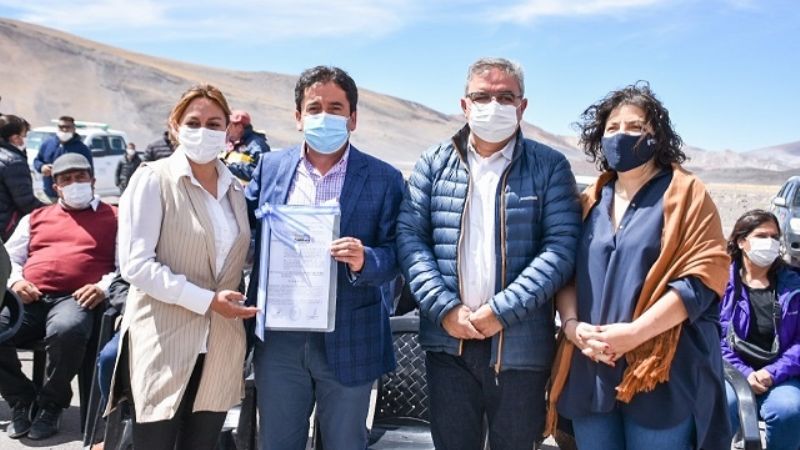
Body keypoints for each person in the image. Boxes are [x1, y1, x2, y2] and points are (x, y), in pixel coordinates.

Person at [397, 57, 581, 449]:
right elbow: (411, 240)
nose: (493, 106)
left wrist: (501, 311)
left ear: (522, 106)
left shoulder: (550, 167)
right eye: (482, 96)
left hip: (520, 349)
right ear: (464, 105)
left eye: (504, 96)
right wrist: (445, 308)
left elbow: (561, 248)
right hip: (448, 343)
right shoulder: (433, 163)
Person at [547, 81, 732, 450]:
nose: (621, 135)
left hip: (659, 371)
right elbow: (565, 272)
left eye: (635, 127)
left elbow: (703, 275)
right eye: (612, 128)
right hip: (592, 364)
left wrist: (634, 335)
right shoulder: (591, 200)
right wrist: (571, 327)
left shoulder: (686, 195)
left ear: (656, 137)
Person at [245, 65, 404, 450]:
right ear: (298, 118)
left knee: (345, 443)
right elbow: (245, 236)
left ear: (353, 118)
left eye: (336, 107)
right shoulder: (270, 168)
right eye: (314, 107)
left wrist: (365, 259)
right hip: (281, 339)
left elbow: (399, 254)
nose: (324, 116)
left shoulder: (385, 178)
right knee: (278, 442)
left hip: (351, 337)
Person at [109, 84, 257, 450]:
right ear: (175, 126)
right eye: (193, 121)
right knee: (154, 442)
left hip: (221, 343)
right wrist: (206, 300)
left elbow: (238, 259)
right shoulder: (153, 179)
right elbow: (136, 264)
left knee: (202, 444)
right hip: (165, 338)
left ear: (228, 131)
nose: (203, 130)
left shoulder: (234, 191)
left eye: (214, 122)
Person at [0, 153, 117, 440]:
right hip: (30, 297)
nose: (75, 183)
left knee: (67, 331)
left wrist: (102, 287)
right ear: (56, 187)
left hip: (75, 299)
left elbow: (125, 264)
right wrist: (17, 281)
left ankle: (51, 403)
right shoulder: (36, 217)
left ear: (93, 180)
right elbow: (12, 257)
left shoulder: (115, 216)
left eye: (81, 177)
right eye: (67, 179)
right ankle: (22, 399)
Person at [721, 209, 800, 450]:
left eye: (775, 237)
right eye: (762, 236)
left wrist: (772, 372)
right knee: (724, 405)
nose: (770, 243)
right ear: (741, 241)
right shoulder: (720, 282)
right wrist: (745, 373)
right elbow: (713, 337)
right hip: (729, 372)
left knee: (788, 410)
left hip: (782, 374)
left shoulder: (794, 285)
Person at [0, 114, 43, 240]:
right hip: (6, 229)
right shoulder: (13, 162)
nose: (25, 139)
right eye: (25, 135)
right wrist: (53, 211)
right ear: (15, 138)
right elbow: (26, 202)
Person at [33, 116, 93, 202]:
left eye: (68, 127)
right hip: (49, 195)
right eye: (61, 127)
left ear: (74, 128)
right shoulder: (47, 144)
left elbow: (90, 172)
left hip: (72, 197)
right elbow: (37, 160)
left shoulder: (82, 149)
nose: (64, 130)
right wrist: (42, 167)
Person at [224, 110, 270, 184]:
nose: (227, 129)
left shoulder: (257, 146)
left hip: (246, 194)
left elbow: (262, 173)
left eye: (229, 126)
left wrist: (230, 167)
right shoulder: (233, 143)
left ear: (239, 127)